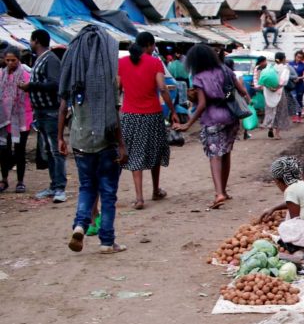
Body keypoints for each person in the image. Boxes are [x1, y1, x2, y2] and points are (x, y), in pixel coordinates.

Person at [60, 25, 127, 254]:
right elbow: (114, 116)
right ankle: (107, 241)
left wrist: (60, 137)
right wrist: (121, 144)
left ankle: (80, 224)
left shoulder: (72, 78)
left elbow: (62, 109)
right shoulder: (107, 80)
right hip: (106, 143)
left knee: (87, 187)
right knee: (108, 192)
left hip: (80, 142)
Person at [173, 43, 250, 209]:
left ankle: (219, 193)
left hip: (213, 118)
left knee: (215, 156)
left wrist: (188, 124)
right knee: (226, 152)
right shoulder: (225, 70)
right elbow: (242, 91)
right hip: (231, 116)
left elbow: (201, 105)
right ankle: (225, 190)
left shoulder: (199, 77)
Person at [118, 31, 174, 210]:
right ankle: (156, 189)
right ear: (150, 45)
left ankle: (139, 197)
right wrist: (172, 110)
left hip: (129, 115)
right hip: (152, 114)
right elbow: (162, 88)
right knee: (155, 150)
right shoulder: (155, 62)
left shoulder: (122, 63)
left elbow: (118, 87)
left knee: (135, 154)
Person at [20, 30, 66, 201]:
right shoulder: (40, 59)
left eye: (31, 40)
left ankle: (60, 188)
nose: (30, 43)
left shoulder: (51, 59)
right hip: (41, 112)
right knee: (49, 150)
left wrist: (31, 86)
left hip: (51, 112)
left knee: (56, 150)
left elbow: (55, 83)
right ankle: (54, 186)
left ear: (36, 41)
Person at [0, 47, 32, 194]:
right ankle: (4, 179)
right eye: (8, 60)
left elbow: (30, 95)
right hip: (5, 119)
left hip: (21, 118)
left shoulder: (25, 75)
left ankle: (20, 181)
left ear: (18, 59)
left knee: (19, 150)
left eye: (13, 60)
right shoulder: (1, 75)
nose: (10, 63)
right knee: (4, 151)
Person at [261, 52, 291, 140]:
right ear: (284, 59)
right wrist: (277, 87)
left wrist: (270, 88)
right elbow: (284, 81)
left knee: (270, 109)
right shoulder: (285, 68)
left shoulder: (269, 67)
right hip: (279, 92)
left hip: (268, 92)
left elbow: (263, 79)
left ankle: (270, 125)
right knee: (280, 111)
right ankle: (277, 133)